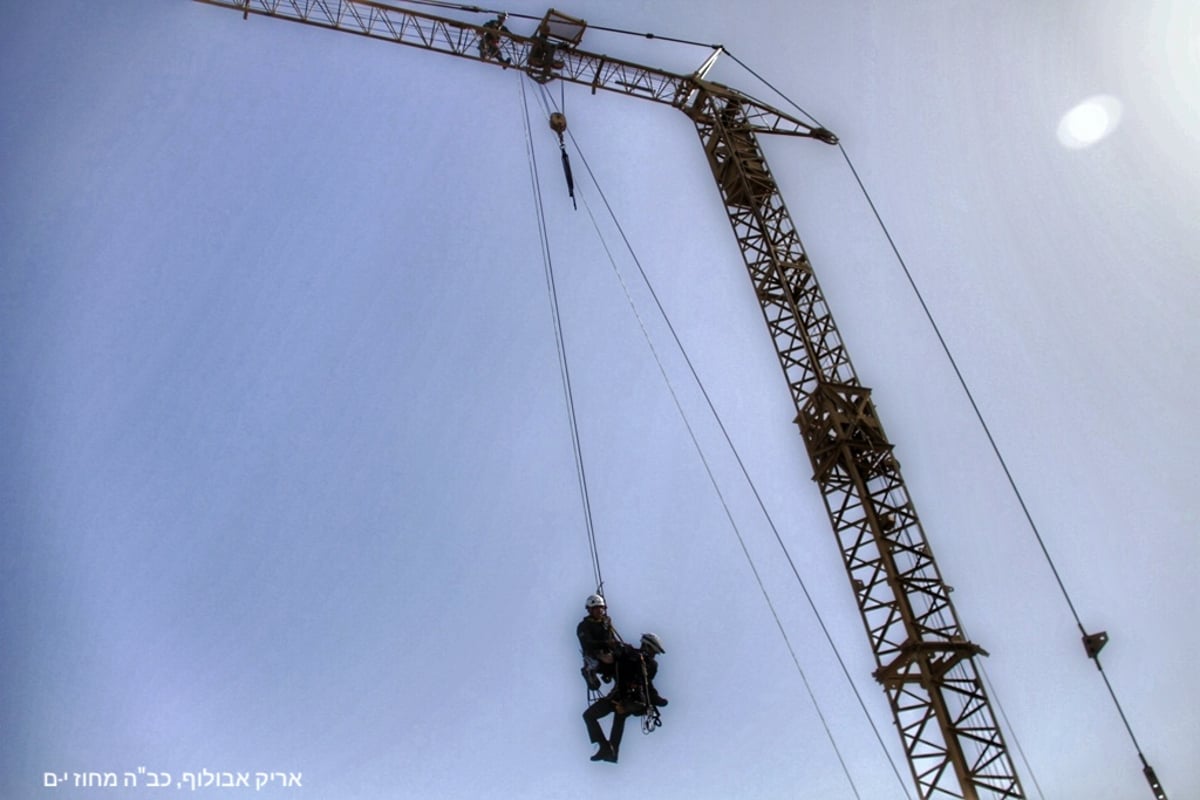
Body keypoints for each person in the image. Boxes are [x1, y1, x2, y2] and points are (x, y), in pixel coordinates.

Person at [583, 633, 668, 763]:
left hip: (626, 699)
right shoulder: (635, 657)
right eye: (653, 651)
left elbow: (646, 683)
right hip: (631, 700)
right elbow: (647, 685)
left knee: (591, 715)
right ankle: (610, 751)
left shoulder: (631, 655)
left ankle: (607, 748)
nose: (653, 655)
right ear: (647, 646)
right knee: (618, 718)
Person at [576, 594, 617, 690]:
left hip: (608, 653)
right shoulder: (584, 626)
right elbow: (587, 644)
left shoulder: (606, 623)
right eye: (596, 608)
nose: (600, 610)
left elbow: (612, 638)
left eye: (601, 608)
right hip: (594, 655)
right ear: (590, 610)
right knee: (595, 685)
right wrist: (606, 643)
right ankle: (589, 671)